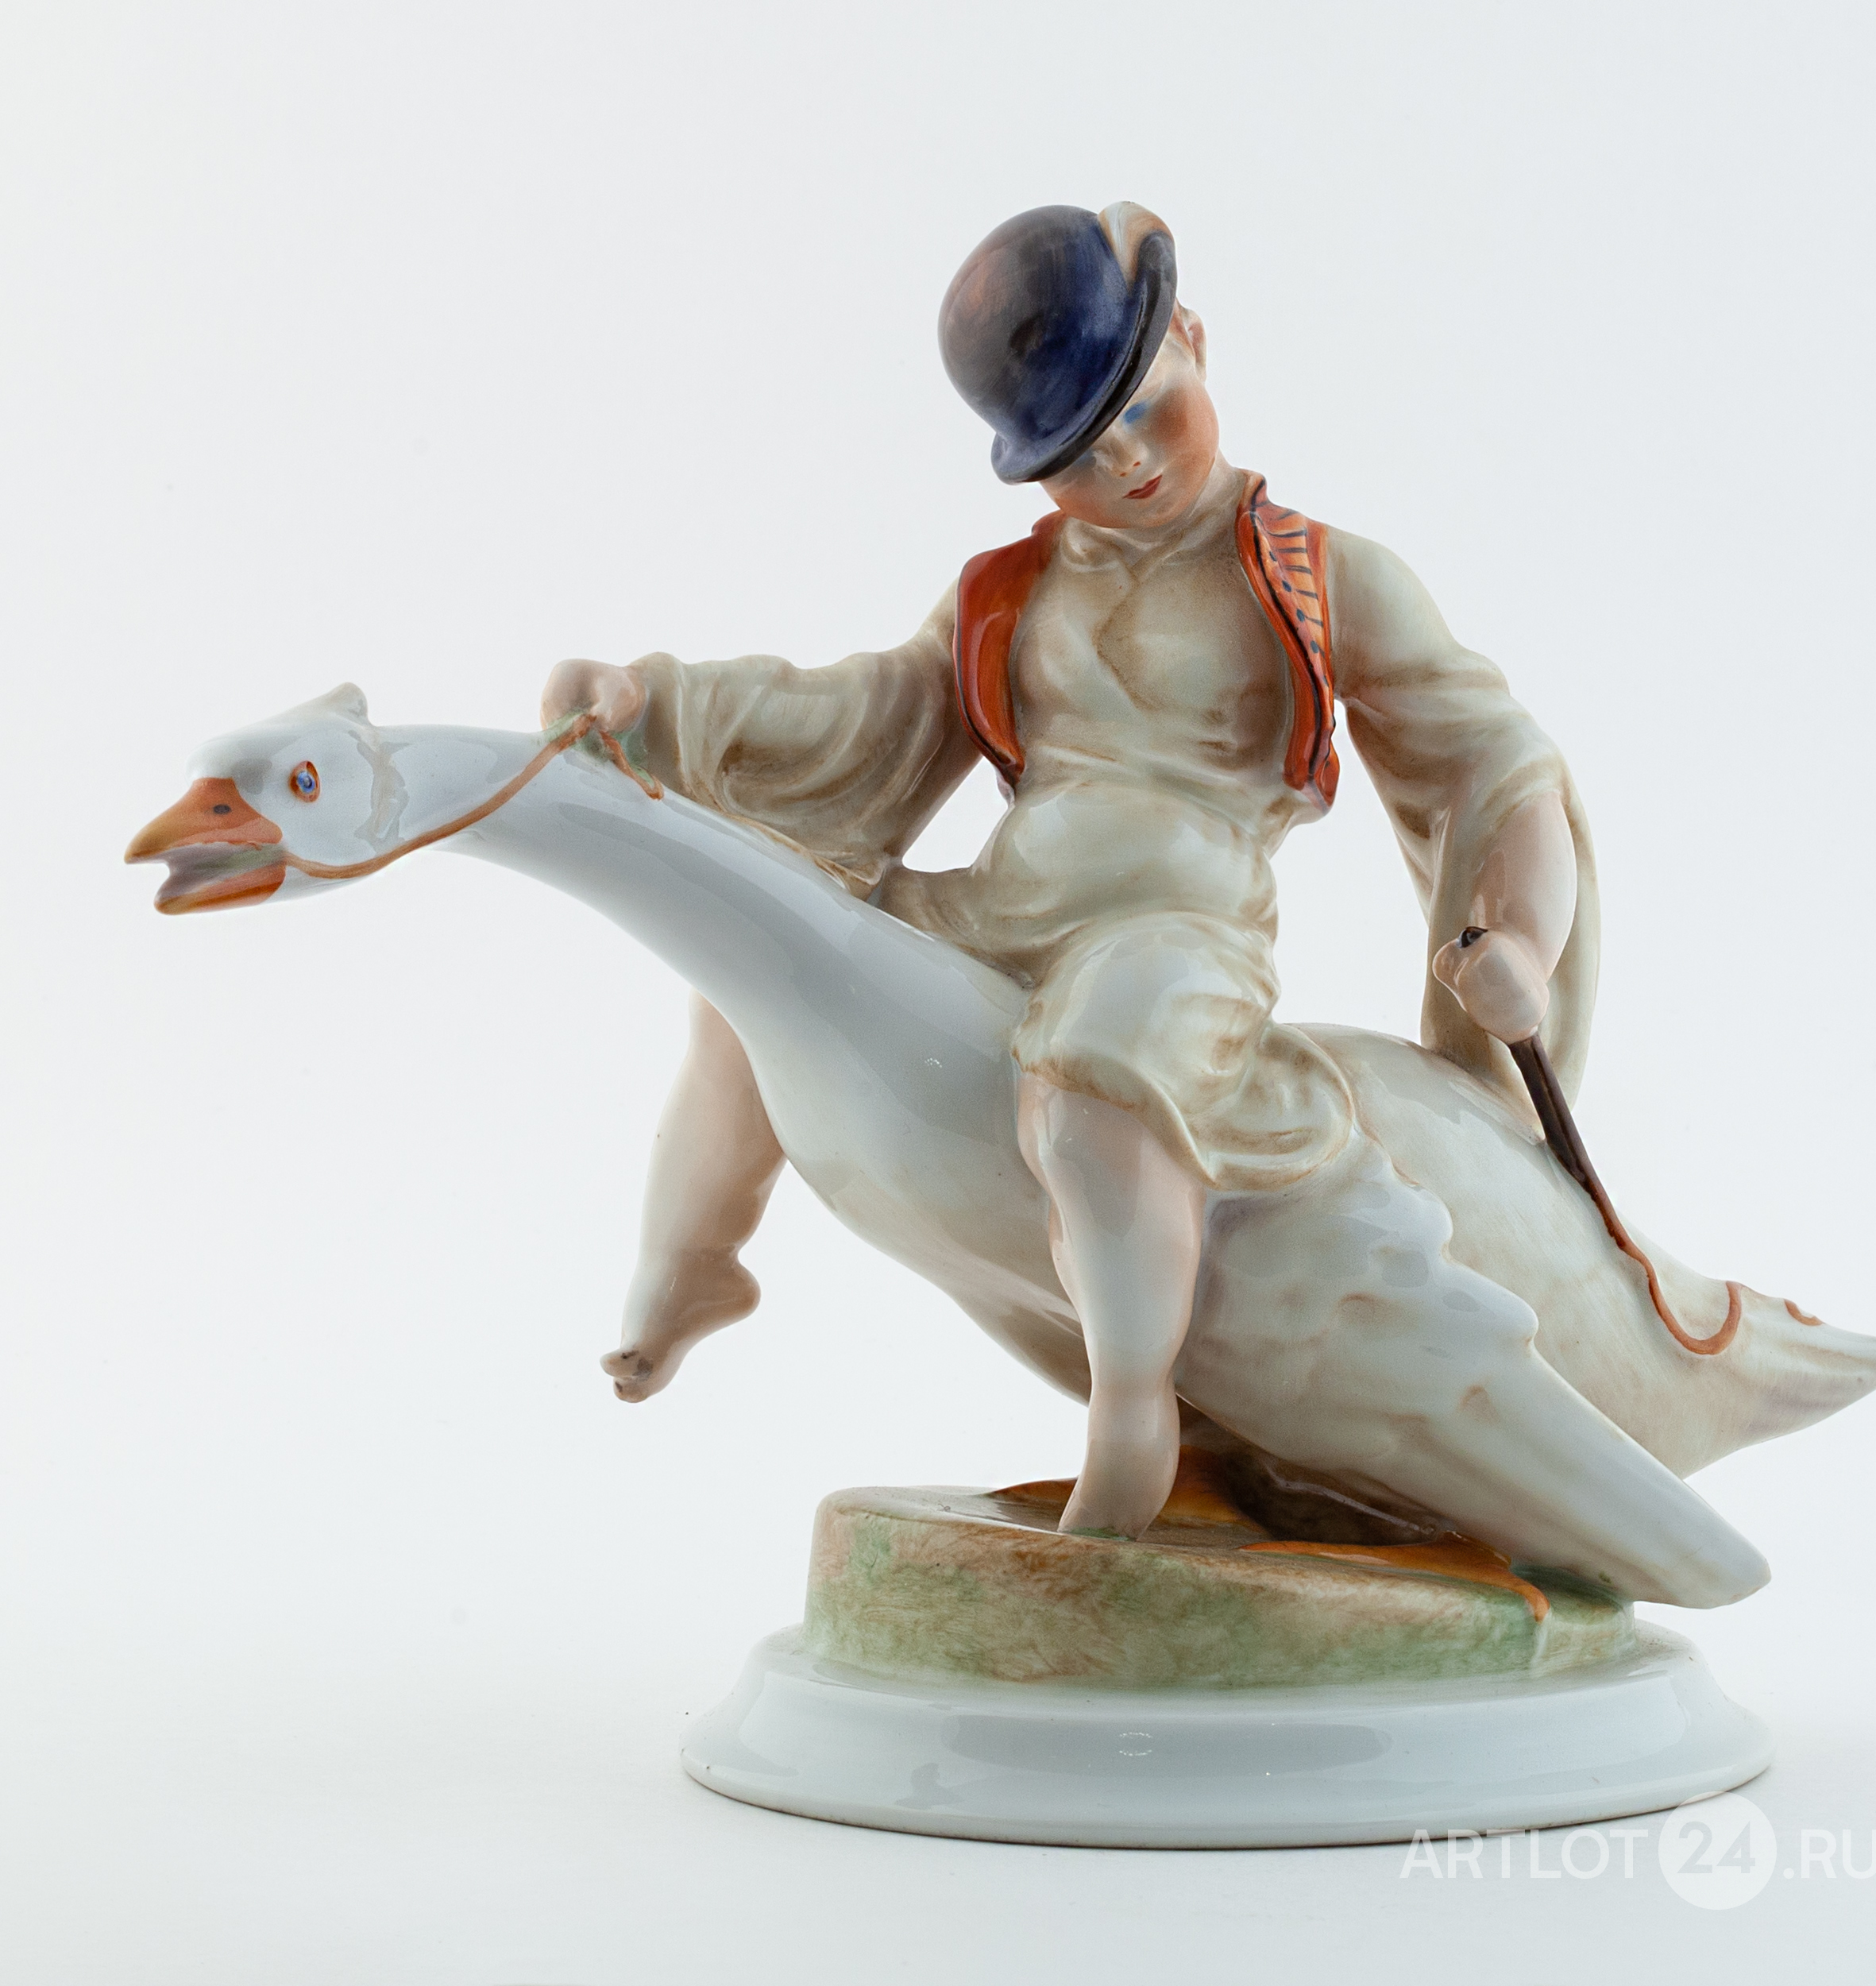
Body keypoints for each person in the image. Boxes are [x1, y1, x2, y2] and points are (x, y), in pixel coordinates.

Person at [540, 203, 1598, 1539]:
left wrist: (1522, 936)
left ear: (1194, 337)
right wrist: (655, 705)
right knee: (757, 961)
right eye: (1082, 456)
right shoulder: (1011, 590)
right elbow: (865, 714)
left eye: (1148, 411)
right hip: (1005, 909)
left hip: (1179, 929)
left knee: (1094, 1083)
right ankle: (694, 1260)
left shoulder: (1320, 579)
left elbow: (1491, 761)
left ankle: (1135, 1405)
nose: (1130, 464)